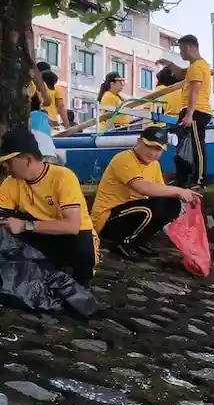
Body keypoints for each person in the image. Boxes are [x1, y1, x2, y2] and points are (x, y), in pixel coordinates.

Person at [0, 129, 98, 283]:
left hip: (72, 237)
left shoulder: (63, 177)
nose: (5, 166)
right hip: (40, 235)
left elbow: (72, 226)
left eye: (9, 161)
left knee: (81, 269)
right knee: (7, 224)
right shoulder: (10, 182)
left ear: (27, 159)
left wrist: (26, 225)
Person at [91, 127, 201, 257]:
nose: (152, 152)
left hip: (132, 211)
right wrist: (179, 190)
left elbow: (160, 191)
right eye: (149, 146)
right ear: (138, 142)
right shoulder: (124, 158)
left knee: (172, 204)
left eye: (158, 149)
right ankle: (123, 244)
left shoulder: (154, 165)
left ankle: (138, 242)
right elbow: (142, 187)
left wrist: (184, 199)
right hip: (108, 218)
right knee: (147, 210)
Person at [157, 34, 214, 188]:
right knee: (184, 145)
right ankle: (185, 178)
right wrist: (169, 64)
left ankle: (200, 179)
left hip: (196, 111)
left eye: (182, 50)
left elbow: (194, 91)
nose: (181, 54)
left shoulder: (197, 66)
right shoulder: (196, 66)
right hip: (192, 111)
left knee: (197, 146)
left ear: (189, 47)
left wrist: (189, 114)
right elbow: (181, 73)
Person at [34, 62, 68, 129]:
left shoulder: (32, 85)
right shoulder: (56, 87)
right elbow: (60, 107)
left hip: (37, 121)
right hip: (52, 123)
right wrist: (67, 125)